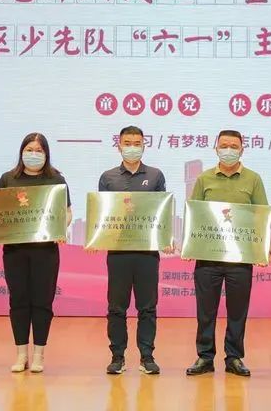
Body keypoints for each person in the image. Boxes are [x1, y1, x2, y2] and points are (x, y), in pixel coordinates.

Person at [184, 130, 268, 378]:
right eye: (224, 146)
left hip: (240, 259)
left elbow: (261, 215)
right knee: (205, 311)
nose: (228, 150)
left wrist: (262, 250)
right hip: (207, 258)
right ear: (216, 149)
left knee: (237, 310)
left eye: (233, 146)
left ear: (242, 150)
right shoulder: (204, 178)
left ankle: (234, 357)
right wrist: (189, 245)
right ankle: (205, 356)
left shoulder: (253, 179)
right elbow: (194, 214)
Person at [0, 132, 72, 373]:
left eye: (38, 150)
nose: (33, 154)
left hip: (45, 251)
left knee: (43, 302)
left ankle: (39, 355)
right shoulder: (8, 179)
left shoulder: (56, 179)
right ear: (21, 152)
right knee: (18, 301)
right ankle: (21, 354)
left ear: (46, 154)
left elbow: (67, 212)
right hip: (15, 251)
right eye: (29, 149)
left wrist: (60, 229)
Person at [99, 125, 167, 375]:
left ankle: (147, 356)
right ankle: (117, 356)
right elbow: (103, 213)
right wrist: (98, 238)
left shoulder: (156, 175)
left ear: (144, 145)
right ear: (119, 145)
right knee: (116, 307)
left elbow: (161, 211)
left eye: (137, 143)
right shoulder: (108, 177)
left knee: (147, 307)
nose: (132, 148)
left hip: (147, 251)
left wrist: (165, 237)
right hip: (118, 251)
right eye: (127, 143)